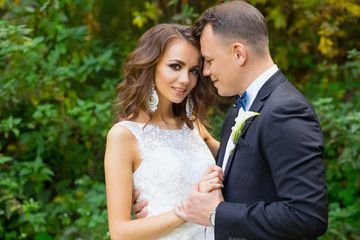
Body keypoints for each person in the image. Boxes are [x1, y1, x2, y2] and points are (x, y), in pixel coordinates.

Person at [134, 1, 328, 239]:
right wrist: (156, 202)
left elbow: (307, 216)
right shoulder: (236, 113)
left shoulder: (285, 110)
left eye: (210, 61)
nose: (205, 72)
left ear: (238, 53)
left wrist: (217, 214)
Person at [104, 23, 223, 240]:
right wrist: (188, 209)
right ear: (151, 66)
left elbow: (242, 164)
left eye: (193, 70)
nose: (186, 79)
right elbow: (120, 233)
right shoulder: (124, 136)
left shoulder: (194, 126)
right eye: (176, 66)